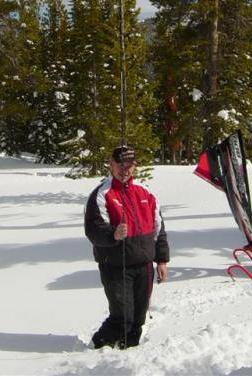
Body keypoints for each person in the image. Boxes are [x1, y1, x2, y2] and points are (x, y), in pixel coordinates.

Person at [84, 145, 169, 349]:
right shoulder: (102, 194)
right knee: (122, 316)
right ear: (111, 165)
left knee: (138, 318)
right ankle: (94, 348)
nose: (125, 169)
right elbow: (93, 229)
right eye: (120, 164)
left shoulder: (145, 192)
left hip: (145, 266)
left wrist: (162, 260)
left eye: (129, 165)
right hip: (115, 266)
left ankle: (129, 353)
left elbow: (159, 228)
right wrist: (112, 234)